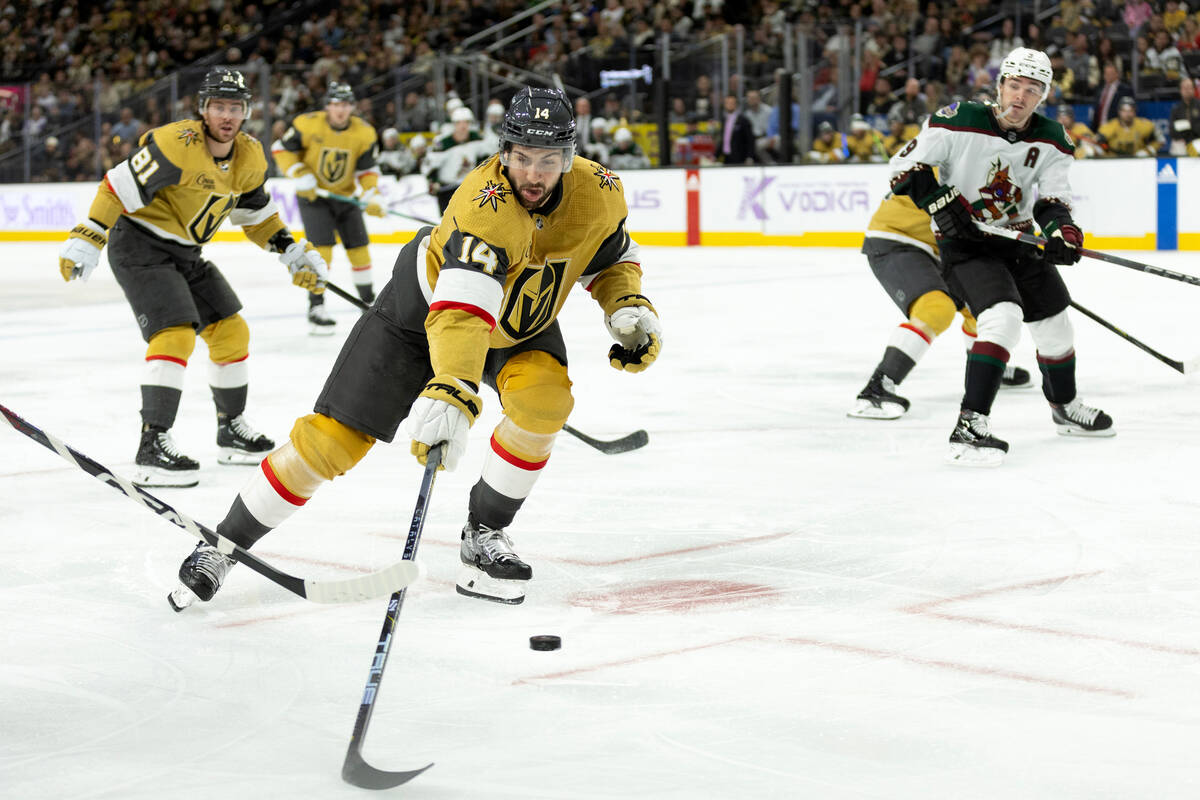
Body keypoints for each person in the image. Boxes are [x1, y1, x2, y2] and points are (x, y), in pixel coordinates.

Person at [167, 86, 662, 611]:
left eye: (547, 161)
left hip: (517, 322)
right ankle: (222, 543)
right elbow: (461, 316)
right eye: (522, 159)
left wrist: (625, 302)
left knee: (545, 403)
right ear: (504, 153)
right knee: (331, 444)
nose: (533, 175)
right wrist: (453, 389)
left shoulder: (598, 192)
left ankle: (484, 535)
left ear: (568, 158)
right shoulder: (483, 208)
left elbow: (609, 258)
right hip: (421, 316)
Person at [56, 68, 328, 488]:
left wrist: (290, 251)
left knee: (231, 332)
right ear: (203, 110)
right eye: (218, 106)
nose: (226, 115)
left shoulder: (251, 156)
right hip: (140, 245)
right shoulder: (176, 144)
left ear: (246, 113)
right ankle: (151, 445)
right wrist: (90, 233)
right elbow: (117, 185)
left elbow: (254, 216)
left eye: (234, 107)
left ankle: (230, 429)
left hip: (185, 253)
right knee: (176, 334)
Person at [888, 47, 1113, 465]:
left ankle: (1065, 408)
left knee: (1057, 328)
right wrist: (940, 201)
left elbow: (1051, 199)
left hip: (1019, 242)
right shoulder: (959, 121)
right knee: (1002, 318)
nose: (1020, 97)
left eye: (1032, 90)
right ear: (1000, 85)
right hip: (968, 246)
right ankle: (970, 423)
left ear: (1043, 95)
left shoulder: (1052, 139)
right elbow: (901, 168)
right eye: (1014, 86)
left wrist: (1061, 231)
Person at [848, 190, 1031, 421]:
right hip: (897, 239)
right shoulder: (954, 157)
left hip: (940, 248)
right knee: (936, 308)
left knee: (983, 304)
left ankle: (982, 369)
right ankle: (877, 389)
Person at [273, 81, 384, 335]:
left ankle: (368, 303)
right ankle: (316, 307)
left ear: (352, 107)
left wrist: (371, 193)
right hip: (314, 197)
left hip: (345, 197)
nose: (340, 110)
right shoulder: (307, 123)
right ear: (328, 106)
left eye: (345, 105)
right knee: (321, 253)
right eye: (335, 104)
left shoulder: (364, 132)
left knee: (360, 251)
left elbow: (367, 169)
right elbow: (280, 149)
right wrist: (299, 173)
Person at [424, 105, 490, 213]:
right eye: (459, 123)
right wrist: (434, 182)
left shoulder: (477, 139)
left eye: (466, 122)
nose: (463, 126)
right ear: (454, 124)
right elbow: (431, 166)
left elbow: (484, 160)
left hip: (469, 188)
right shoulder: (443, 143)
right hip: (447, 189)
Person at [1096, 96, 1164, 157]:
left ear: (1135, 112)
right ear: (1119, 112)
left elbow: (1161, 140)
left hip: (1137, 160)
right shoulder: (1109, 127)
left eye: (1130, 111)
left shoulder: (1144, 125)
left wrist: (1147, 151)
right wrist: (1103, 152)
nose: (1127, 114)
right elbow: (1097, 143)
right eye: (1124, 111)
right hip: (1114, 162)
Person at [717, 93, 756, 164]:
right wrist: (716, 156)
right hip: (726, 156)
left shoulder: (743, 120)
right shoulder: (724, 119)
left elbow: (750, 140)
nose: (729, 105)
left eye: (732, 103)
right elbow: (724, 139)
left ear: (736, 104)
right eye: (727, 103)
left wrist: (750, 156)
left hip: (739, 157)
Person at [1167, 77, 1200, 156]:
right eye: (1184, 88)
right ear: (1180, 90)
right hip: (1182, 141)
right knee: (1176, 146)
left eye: (1189, 87)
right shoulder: (1176, 109)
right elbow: (1172, 130)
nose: (1187, 90)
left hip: (1198, 139)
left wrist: (1189, 127)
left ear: (1193, 89)